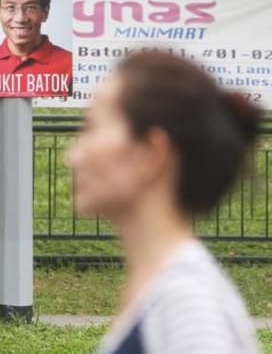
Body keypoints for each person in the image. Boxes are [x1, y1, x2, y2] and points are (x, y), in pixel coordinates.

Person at [68, 51, 262, 354]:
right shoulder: (164, 285)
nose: (74, 155)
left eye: (92, 127)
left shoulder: (187, 301)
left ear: (151, 153)